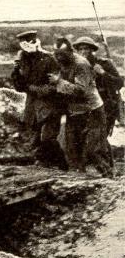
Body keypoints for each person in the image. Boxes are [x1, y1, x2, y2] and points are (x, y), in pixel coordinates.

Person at [50, 38, 113, 177]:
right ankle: (79, 178)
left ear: (70, 52)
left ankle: (108, 176)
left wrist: (59, 82)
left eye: (62, 54)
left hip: (92, 110)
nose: (59, 58)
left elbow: (80, 90)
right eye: (56, 54)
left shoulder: (81, 64)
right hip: (74, 111)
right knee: (72, 147)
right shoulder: (58, 61)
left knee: (94, 149)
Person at [10, 30, 65, 169]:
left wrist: (36, 89)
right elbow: (19, 86)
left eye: (30, 41)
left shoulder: (49, 59)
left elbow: (57, 85)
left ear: (35, 42)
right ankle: (48, 163)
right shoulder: (24, 60)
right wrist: (16, 70)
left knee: (48, 136)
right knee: (37, 136)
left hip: (50, 104)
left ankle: (59, 163)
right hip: (33, 105)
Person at [72, 36, 123, 138]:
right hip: (84, 106)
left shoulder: (104, 63)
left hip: (104, 105)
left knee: (99, 139)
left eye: (86, 48)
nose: (83, 51)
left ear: (91, 50)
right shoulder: (75, 66)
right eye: (80, 49)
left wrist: (103, 73)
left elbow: (119, 83)